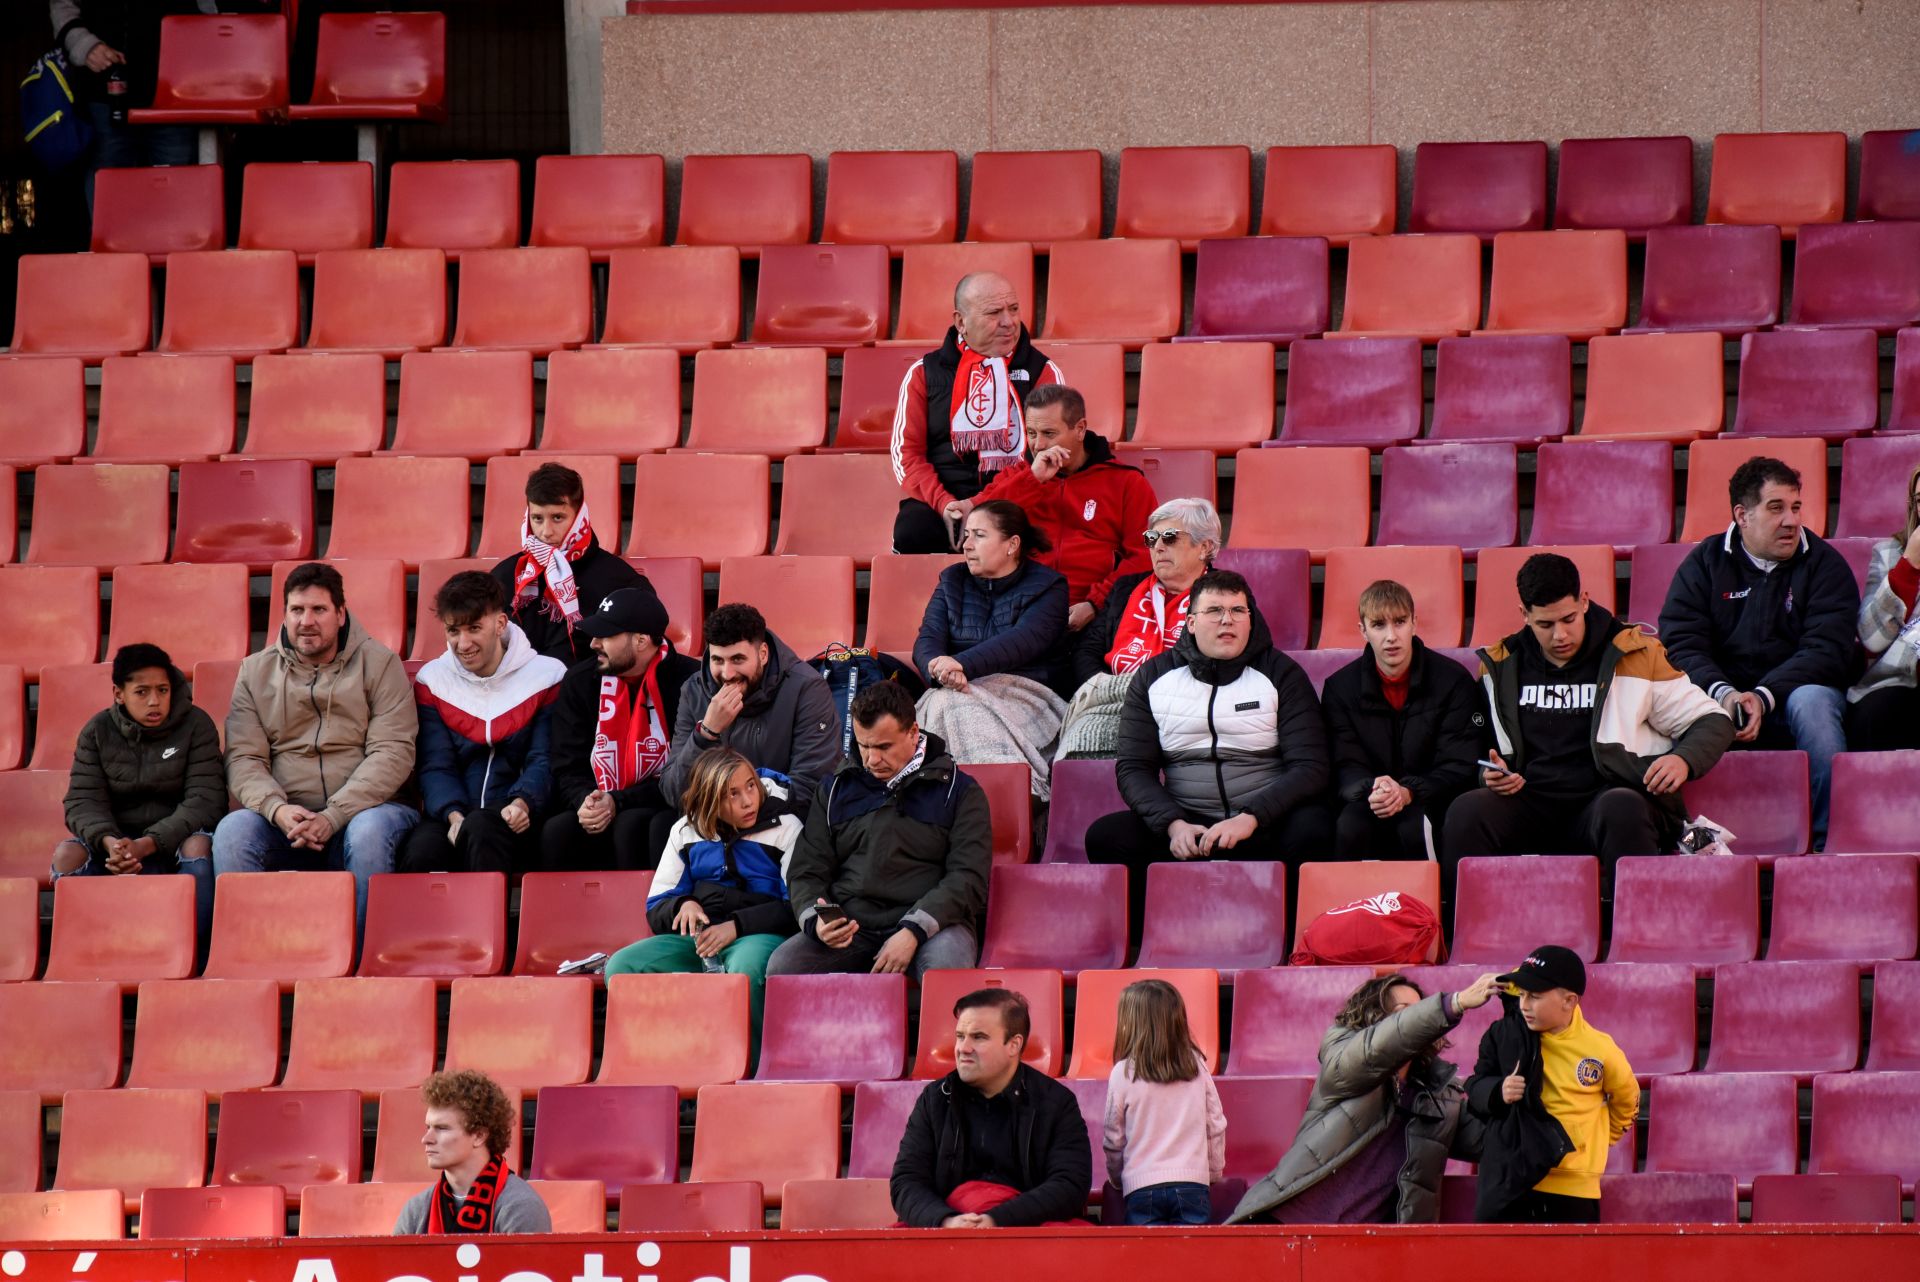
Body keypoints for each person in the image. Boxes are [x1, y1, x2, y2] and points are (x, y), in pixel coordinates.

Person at [1443, 553, 1733, 901]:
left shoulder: (1635, 654)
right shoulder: (1501, 665)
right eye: (1545, 625)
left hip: (1605, 799)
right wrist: (1491, 774)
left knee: (1622, 808)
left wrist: (1683, 759)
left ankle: (1633, 935)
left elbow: (1713, 720)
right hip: (1532, 801)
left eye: (1568, 619)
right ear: (1525, 615)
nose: (1560, 635)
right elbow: (1480, 749)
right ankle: (1473, 935)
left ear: (1584, 601)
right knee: (1466, 812)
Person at [1087, 569, 1332, 933]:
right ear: (1190, 622)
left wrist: (1251, 817)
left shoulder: (1282, 674)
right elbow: (1134, 769)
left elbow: (1311, 766)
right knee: (1107, 837)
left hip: (1262, 826)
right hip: (1189, 826)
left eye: (1238, 610)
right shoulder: (1154, 677)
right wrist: (1172, 824)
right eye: (1214, 611)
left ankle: (1293, 934)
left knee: (1317, 829)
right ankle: (1160, 935)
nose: (1227, 620)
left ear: (1251, 619)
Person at [1658, 456, 1858, 844]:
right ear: (1742, 515)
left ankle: (1827, 841)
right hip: (1721, 698)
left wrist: (1764, 697)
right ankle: (1683, 841)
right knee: (1660, 706)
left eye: (1796, 507)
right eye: (1776, 508)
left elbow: (1827, 650)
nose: (1791, 520)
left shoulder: (1825, 566)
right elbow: (1682, 643)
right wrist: (1724, 693)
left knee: (1813, 703)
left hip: (1790, 699)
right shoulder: (1703, 564)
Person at [213, 562, 418, 927]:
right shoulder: (254, 671)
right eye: (297, 610)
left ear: (341, 614)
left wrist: (334, 814)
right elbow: (244, 757)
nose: (306, 621)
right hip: (286, 822)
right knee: (233, 832)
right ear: (285, 614)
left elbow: (392, 752)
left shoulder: (381, 664)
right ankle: (250, 952)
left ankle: (361, 961)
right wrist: (277, 810)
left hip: (365, 812)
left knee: (368, 833)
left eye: (319, 610)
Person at [1227, 972, 1499, 1225]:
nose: (1419, 1020)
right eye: (1406, 1013)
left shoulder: (1438, 1094)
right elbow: (1372, 1051)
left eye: (1421, 1010)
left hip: (1360, 1247)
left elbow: (1494, 1140)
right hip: (1289, 1225)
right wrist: (1454, 1003)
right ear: (1373, 1017)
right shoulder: (1343, 1053)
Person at [766, 681, 989, 980]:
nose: (872, 759)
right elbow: (806, 871)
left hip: (935, 924)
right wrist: (818, 923)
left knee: (945, 971)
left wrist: (912, 931)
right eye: (864, 746)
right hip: (853, 925)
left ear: (913, 732)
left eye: (884, 747)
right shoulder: (834, 789)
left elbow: (968, 878)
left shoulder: (960, 791)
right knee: (783, 966)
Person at [605, 748, 802, 1028]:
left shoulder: (786, 827)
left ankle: (752, 1066)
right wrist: (683, 904)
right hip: (699, 941)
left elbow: (796, 906)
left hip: (757, 935)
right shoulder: (685, 831)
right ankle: (649, 1060)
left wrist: (735, 926)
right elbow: (657, 905)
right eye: (732, 794)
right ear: (709, 800)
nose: (748, 801)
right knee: (621, 968)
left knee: (745, 969)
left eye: (750, 787)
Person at [948, 384, 1156, 632]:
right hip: (1018, 611)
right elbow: (981, 524)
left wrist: (1095, 603)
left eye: (1049, 433)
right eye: (1032, 433)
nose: (1038, 445)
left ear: (1079, 429)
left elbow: (1145, 555)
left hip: (1093, 615)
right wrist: (1033, 481)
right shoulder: (1019, 476)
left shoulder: (1127, 482)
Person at [55, 643, 223, 946]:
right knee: (68, 854)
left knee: (200, 845)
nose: (154, 701)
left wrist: (147, 845)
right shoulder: (96, 731)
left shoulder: (197, 725)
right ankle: (82, 953)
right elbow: (82, 801)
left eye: (162, 690)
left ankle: (195, 954)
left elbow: (206, 800)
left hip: (171, 844)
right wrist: (112, 844)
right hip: (115, 850)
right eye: (142, 692)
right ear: (119, 694)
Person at [403, 572, 566, 875]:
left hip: (521, 813)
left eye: (474, 628)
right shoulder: (433, 680)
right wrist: (453, 816)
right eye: (453, 631)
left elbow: (544, 758)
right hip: (452, 813)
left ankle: (486, 924)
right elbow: (435, 764)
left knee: (481, 829)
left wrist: (523, 802)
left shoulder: (547, 675)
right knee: (420, 851)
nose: (463, 644)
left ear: (500, 624)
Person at [890, 271, 1065, 554]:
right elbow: (907, 455)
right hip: (942, 497)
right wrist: (946, 504)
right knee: (912, 532)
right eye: (994, 312)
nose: (1009, 322)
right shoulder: (924, 372)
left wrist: (982, 505)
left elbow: (1045, 455)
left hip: (1015, 495)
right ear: (961, 321)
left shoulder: (1041, 371)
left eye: (1014, 309)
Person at [892, 988, 1093, 1228]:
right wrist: (946, 1221)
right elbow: (906, 1181)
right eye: (960, 1036)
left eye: (978, 1037)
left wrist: (996, 1221)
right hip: (948, 1232)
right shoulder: (934, 1099)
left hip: (1026, 1234)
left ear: (1014, 1045)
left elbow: (1070, 1185)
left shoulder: (1056, 1102)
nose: (963, 1048)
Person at [1465, 946, 1638, 1225]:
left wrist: (1598, 1139)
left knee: (1569, 1268)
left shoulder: (1600, 1049)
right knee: (1501, 1267)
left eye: (1534, 997)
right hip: (1506, 1180)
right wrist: (1497, 1091)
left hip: (1573, 1186)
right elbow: (1474, 1087)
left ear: (1569, 1001)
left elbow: (1627, 1098)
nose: (1524, 1005)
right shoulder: (1503, 1035)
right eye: (1521, 994)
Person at [914, 500, 1070, 798]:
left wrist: (959, 666)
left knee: (946, 703)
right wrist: (938, 667)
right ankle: (1012, 797)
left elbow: (1025, 641)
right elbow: (928, 639)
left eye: (979, 536)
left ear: (1012, 544)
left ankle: (998, 798)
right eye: (967, 534)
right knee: (947, 701)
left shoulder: (1049, 586)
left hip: (1029, 694)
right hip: (958, 689)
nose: (967, 545)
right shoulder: (952, 580)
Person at [1321, 580, 1483, 861]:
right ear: (1363, 630)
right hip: (1370, 798)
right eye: (1379, 625)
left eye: (1399, 622)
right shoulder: (1339, 688)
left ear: (1415, 623)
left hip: (1432, 797)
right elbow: (1344, 763)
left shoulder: (1453, 681)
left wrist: (1409, 791)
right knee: (1350, 826)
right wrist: (1373, 789)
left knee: (1414, 827)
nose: (1391, 636)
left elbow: (1459, 763)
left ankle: (1435, 903)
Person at [543, 587, 700, 871]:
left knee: (635, 825)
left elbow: (690, 772)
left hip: (667, 799)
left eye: (605, 636)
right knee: (557, 831)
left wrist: (619, 801)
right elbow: (566, 762)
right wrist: (586, 800)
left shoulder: (690, 681)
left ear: (641, 641)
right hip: (598, 798)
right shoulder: (580, 681)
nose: (593, 644)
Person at [1057, 497, 1220, 761]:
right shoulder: (1126, 589)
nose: (1158, 546)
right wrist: (1104, 689)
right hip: (1111, 701)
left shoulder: (1225, 595)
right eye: (1151, 538)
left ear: (1204, 547)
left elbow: (1225, 655)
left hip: (1186, 704)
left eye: (1169, 537)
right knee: (1082, 739)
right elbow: (1088, 650)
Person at [659, 603, 841, 822]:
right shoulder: (694, 690)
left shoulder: (806, 689)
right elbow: (672, 792)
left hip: (778, 819)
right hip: (714, 819)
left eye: (737, 659)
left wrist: (737, 812)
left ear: (763, 654)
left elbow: (808, 786)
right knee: (651, 825)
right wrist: (706, 733)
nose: (727, 674)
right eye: (717, 660)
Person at [490, 461, 652, 667]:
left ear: (579, 518)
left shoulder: (619, 579)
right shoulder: (504, 576)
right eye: (537, 518)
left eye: (557, 517)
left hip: (583, 691)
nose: (546, 532)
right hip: (514, 690)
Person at [49, 0, 203, 211]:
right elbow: (63, 5)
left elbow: (209, 8)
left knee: (178, 202)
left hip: (177, 93)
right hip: (105, 93)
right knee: (109, 204)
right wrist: (84, 45)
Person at [1102, 978, 1226, 1227]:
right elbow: (1215, 1125)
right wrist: (1211, 1172)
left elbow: (1114, 1138)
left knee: (1149, 1262)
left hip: (1141, 1187)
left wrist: (1119, 1179)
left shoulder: (1122, 1072)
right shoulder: (1196, 1066)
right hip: (1193, 1185)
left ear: (1130, 1024)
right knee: (1191, 1260)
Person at [393, 1070, 550, 1235]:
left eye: (442, 1128)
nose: (426, 1139)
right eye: (428, 1127)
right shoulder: (415, 1211)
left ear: (479, 1136)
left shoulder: (521, 1206)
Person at [1846, 462, 1920, 750]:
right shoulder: (1890, 555)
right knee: (1874, 715)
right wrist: (1909, 566)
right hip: (1900, 681)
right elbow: (1871, 640)